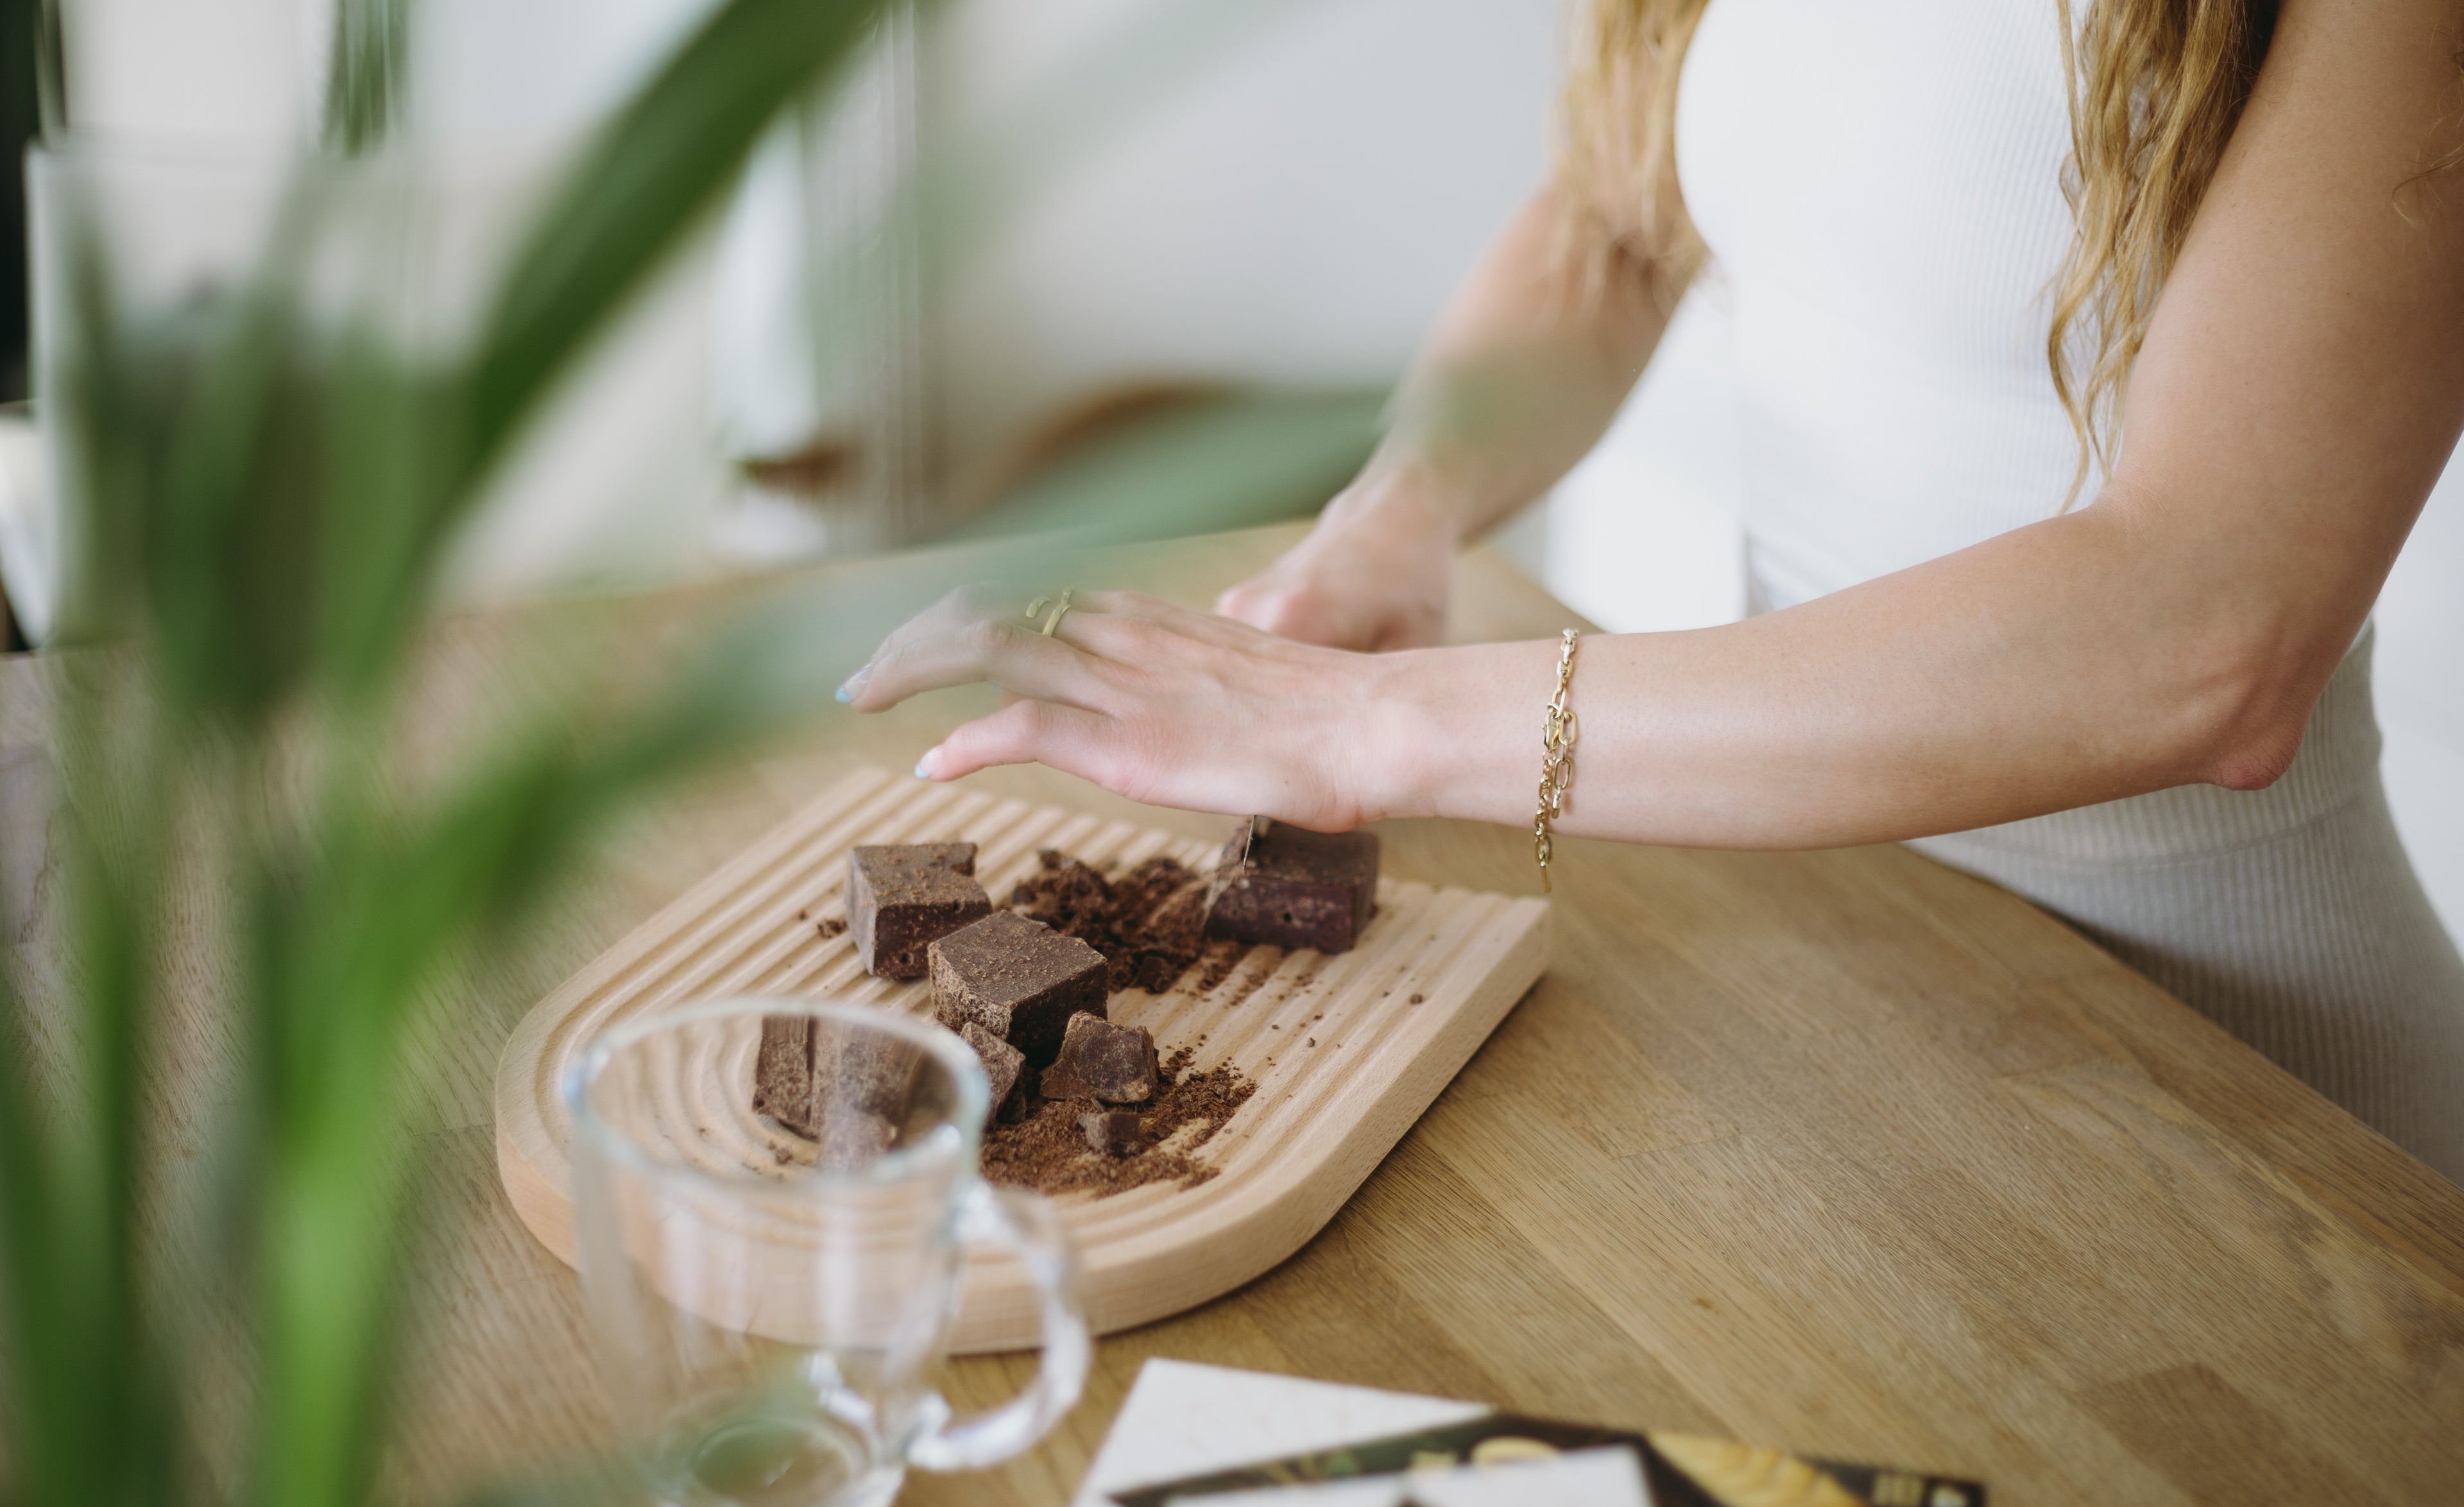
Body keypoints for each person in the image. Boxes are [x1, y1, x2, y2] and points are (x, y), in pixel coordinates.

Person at [841, 0, 2464, 1184]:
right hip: (1807, 950)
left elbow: (2209, 629)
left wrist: (1367, 728)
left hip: (2226, 1060)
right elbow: (1621, 213)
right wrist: (1401, 508)